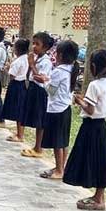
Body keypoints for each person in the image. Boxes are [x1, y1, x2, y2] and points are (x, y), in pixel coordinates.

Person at [63, 49, 106, 210]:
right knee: (101, 160)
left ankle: (99, 199)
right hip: (102, 126)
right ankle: (99, 196)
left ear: (93, 66)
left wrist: (79, 101)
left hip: (91, 126)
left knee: (90, 158)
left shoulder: (94, 85)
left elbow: (91, 109)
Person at [39, 40, 78, 179]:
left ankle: (59, 170)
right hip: (65, 108)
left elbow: (51, 91)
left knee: (57, 142)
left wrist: (45, 81)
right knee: (63, 140)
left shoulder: (59, 71)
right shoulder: (71, 70)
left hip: (56, 108)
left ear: (60, 55)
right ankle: (61, 166)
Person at [20, 32, 54, 159]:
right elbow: (29, 75)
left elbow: (41, 79)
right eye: (33, 43)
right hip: (33, 89)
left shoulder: (46, 62)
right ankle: (36, 146)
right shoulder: (36, 58)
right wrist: (31, 65)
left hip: (40, 92)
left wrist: (32, 65)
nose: (34, 47)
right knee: (34, 118)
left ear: (45, 47)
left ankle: (38, 148)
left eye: (37, 44)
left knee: (40, 120)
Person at [3, 38, 30, 143]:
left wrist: (7, 69)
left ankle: (20, 135)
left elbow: (12, 75)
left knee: (18, 110)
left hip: (16, 84)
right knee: (20, 109)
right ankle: (19, 133)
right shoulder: (27, 59)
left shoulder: (18, 61)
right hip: (23, 85)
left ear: (17, 49)